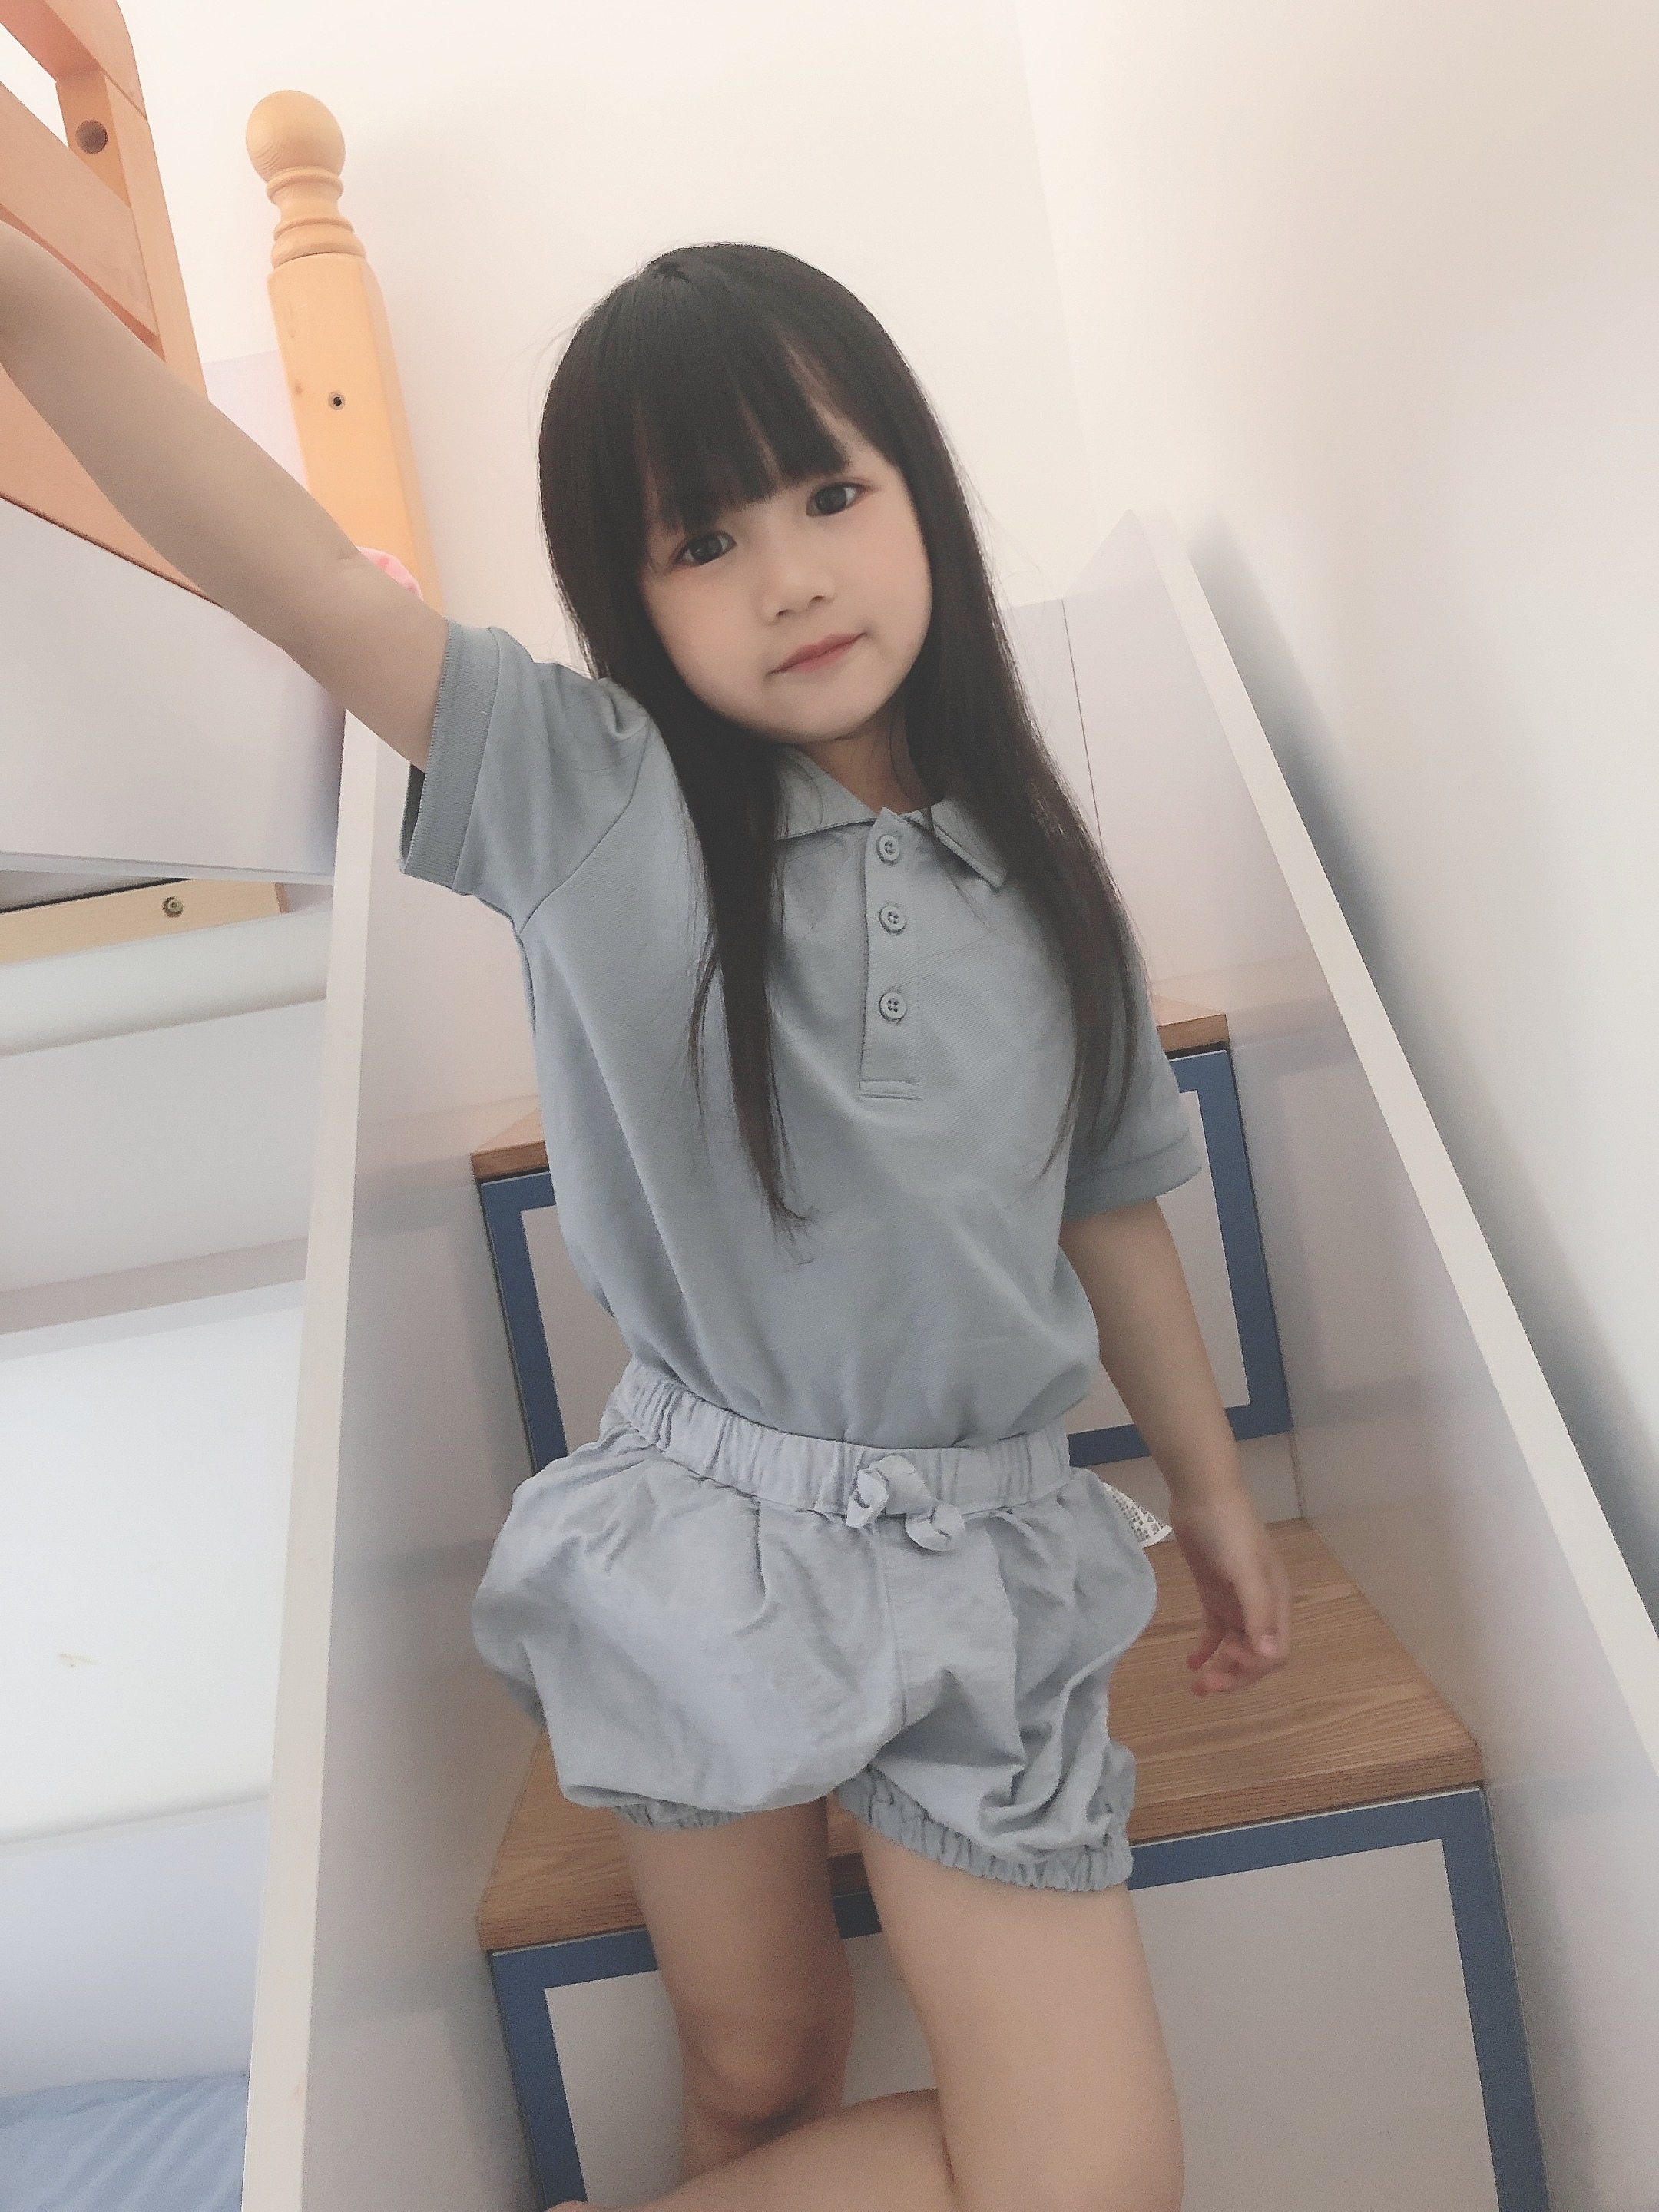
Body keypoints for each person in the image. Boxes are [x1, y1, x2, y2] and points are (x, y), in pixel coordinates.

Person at [0, 230, 1291, 2212]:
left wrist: (1207, 1486)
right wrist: (29, 309)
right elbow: (303, 581)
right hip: (711, 1538)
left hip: (988, 1553)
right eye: (704, 540)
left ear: (920, 495)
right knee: (758, 2064)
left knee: (1091, 2174)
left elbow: (1111, 1197)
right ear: (633, 596)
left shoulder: (1041, 866)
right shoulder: (588, 791)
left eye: (831, 494)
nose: (790, 577)